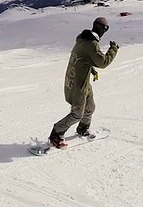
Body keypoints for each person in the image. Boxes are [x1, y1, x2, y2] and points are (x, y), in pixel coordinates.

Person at [48, 17, 119, 148]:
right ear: (104, 29)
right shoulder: (90, 43)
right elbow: (102, 62)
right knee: (77, 114)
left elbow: (82, 59)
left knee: (90, 107)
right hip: (77, 86)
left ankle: (83, 128)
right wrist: (113, 49)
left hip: (82, 82)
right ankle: (56, 132)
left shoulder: (82, 40)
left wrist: (92, 70)